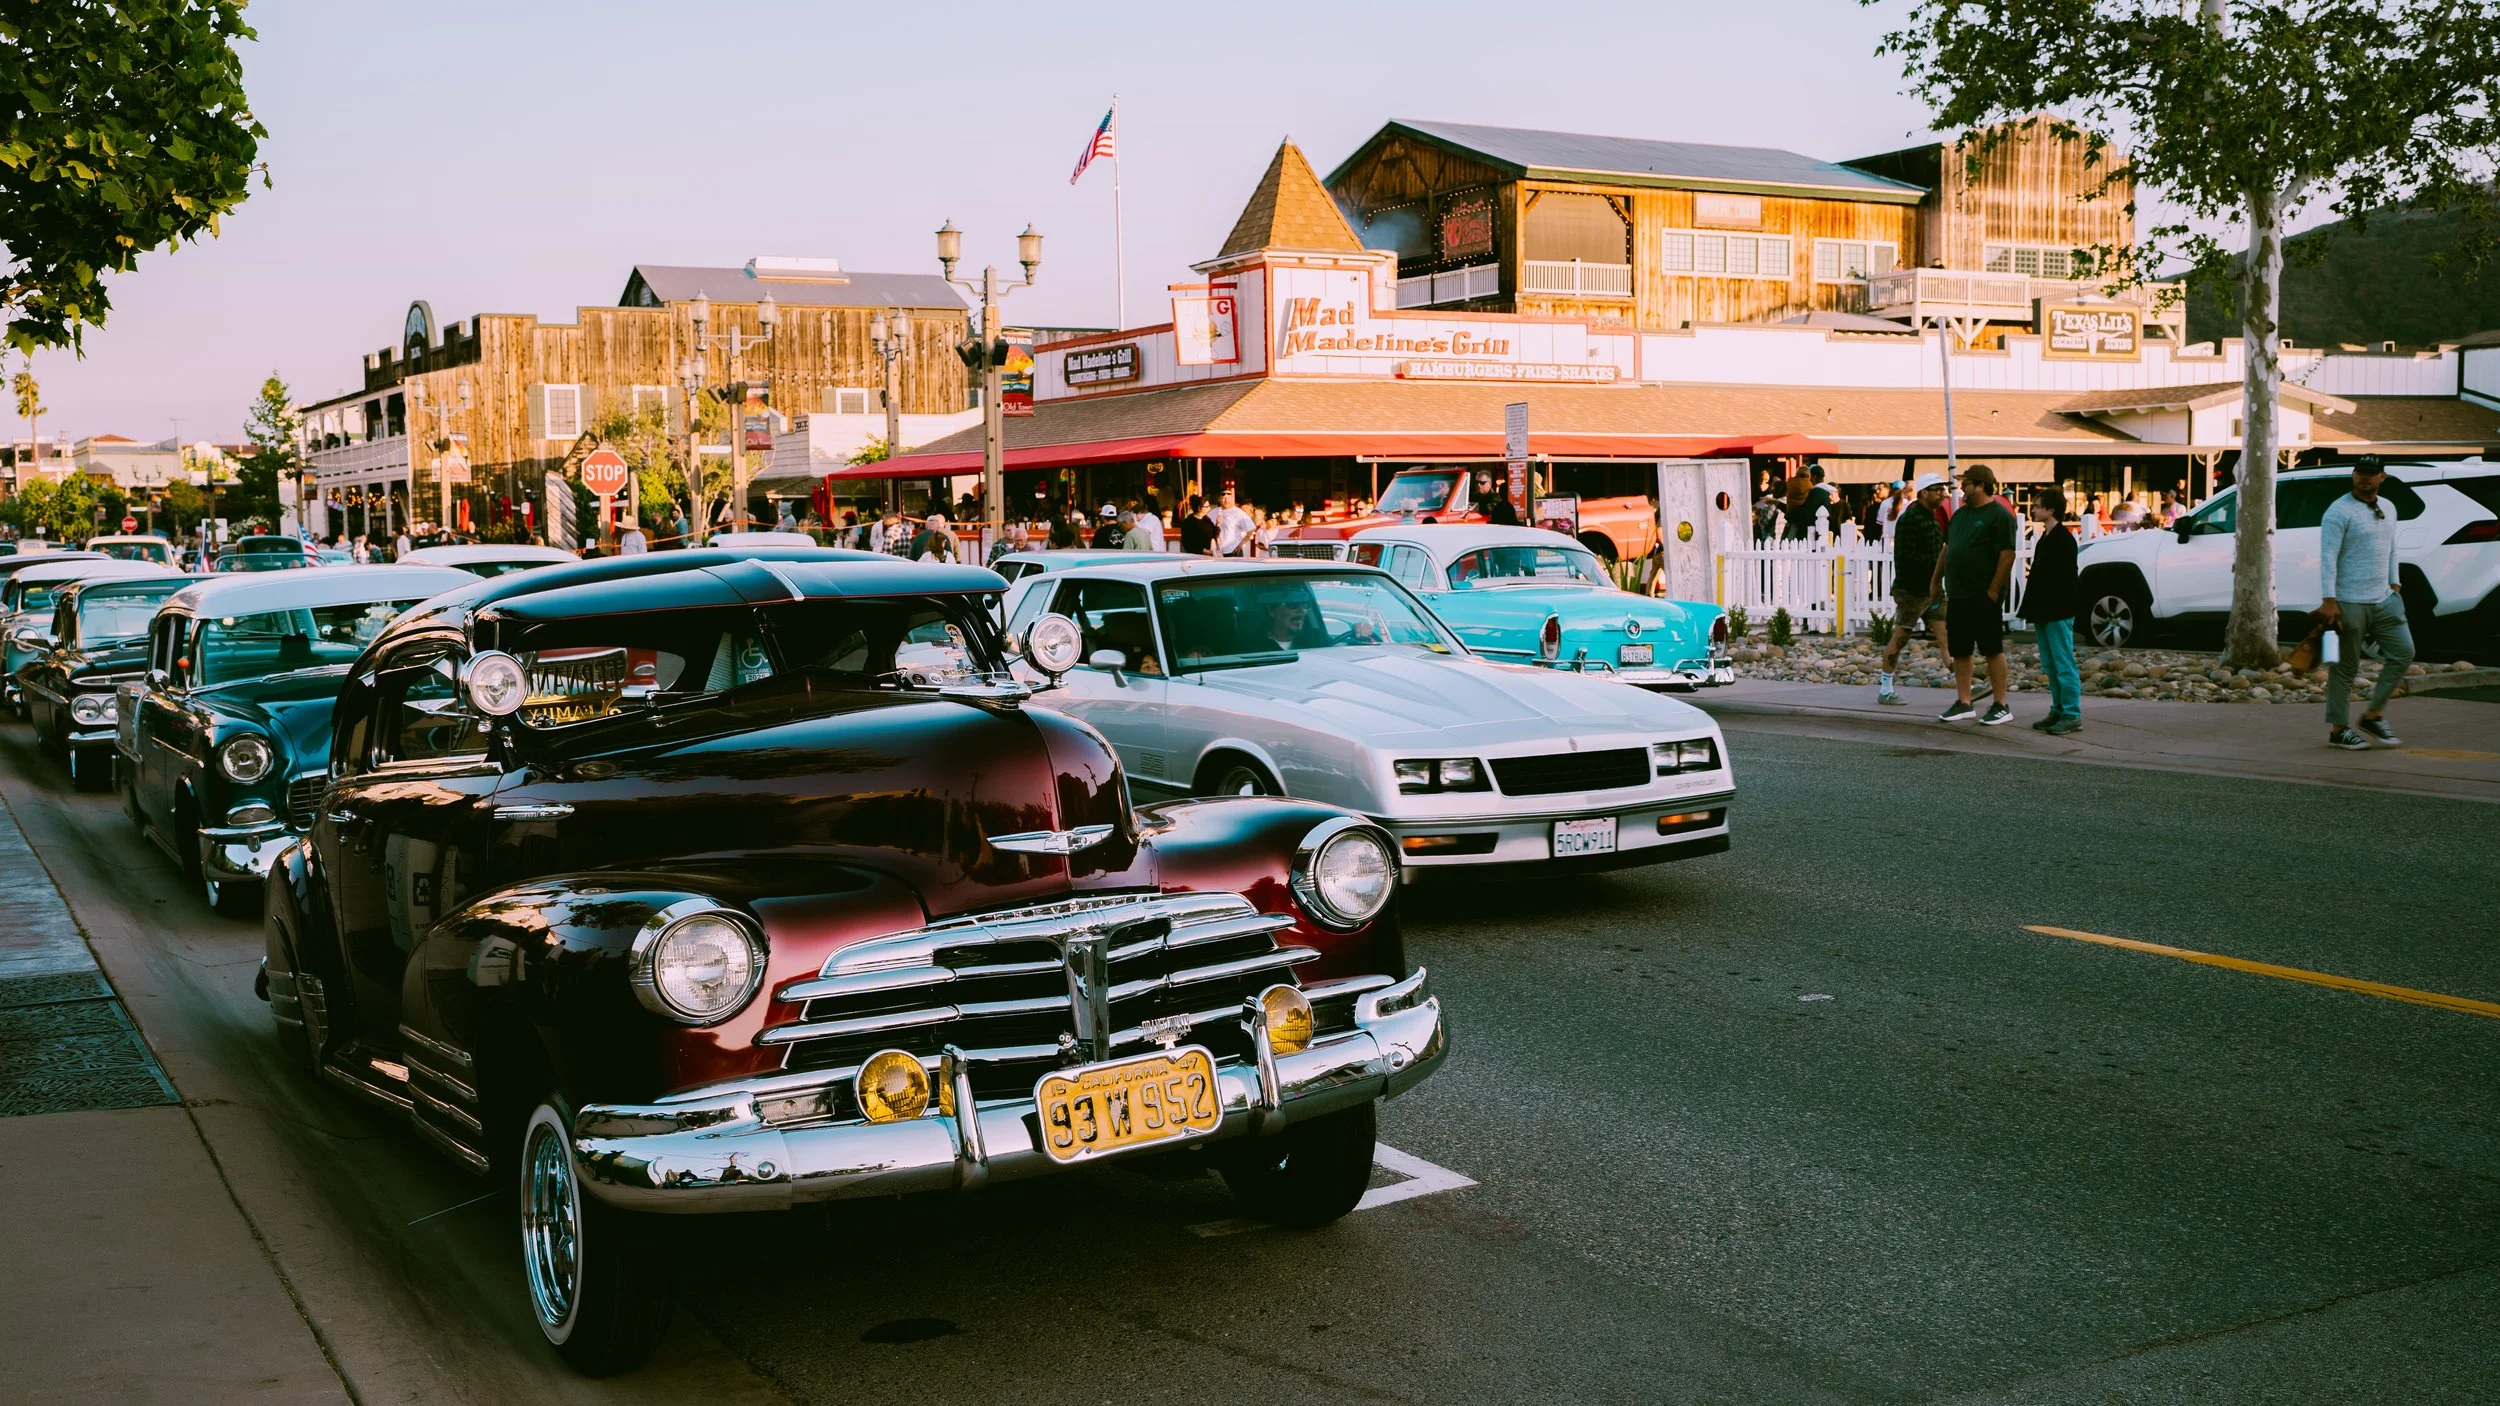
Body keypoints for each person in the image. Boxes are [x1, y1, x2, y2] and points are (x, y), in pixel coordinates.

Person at [2319, 460, 2415, 749]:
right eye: (2360, 474)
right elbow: (2327, 557)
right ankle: (2338, 730)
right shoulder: (2338, 510)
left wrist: (2395, 583)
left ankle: (2372, 715)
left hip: (2384, 599)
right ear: (2353, 475)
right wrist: (2329, 600)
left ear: (2382, 477)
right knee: (2343, 667)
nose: (2364, 479)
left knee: (2403, 652)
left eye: (2371, 475)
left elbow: (2391, 547)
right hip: (2348, 602)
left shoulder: (2389, 507)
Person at [1932, 463, 2018, 725]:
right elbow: (1948, 548)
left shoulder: (1999, 516)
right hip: (1958, 594)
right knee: (1961, 649)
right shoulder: (1959, 515)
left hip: (1983, 594)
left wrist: (1993, 590)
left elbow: (2007, 555)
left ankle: (2001, 704)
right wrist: (1936, 579)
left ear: (1981, 485)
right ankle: (1964, 701)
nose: (1962, 488)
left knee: (1992, 648)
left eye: (1966, 484)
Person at [1876, 475, 1953, 705]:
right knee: (1901, 635)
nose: (1942, 493)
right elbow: (1906, 556)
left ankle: (1962, 682)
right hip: (1913, 589)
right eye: (1936, 489)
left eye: (1942, 489)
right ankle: (1885, 688)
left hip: (1931, 587)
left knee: (1945, 633)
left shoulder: (1931, 516)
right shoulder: (1911, 518)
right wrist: (1935, 569)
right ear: (1923, 493)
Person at [2021, 488, 2083, 734]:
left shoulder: (2062, 540)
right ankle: (2059, 709)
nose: (2033, 509)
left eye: (2037, 505)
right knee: (2050, 663)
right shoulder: (2047, 538)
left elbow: (2064, 580)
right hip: (2046, 609)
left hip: (2057, 609)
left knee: (2063, 662)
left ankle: (2071, 713)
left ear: (2051, 509)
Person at [1212, 487, 1257, 556]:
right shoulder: (1213, 512)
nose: (1226, 501)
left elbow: (1251, 528)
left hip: (1234, 551)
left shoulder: (1238, 512)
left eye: (1228, 498)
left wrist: (1241, 544)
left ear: (1232, 498)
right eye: (1224, 498)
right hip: (1218, 552)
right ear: (1219, 499)